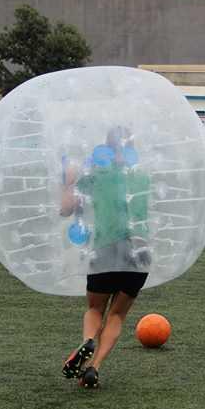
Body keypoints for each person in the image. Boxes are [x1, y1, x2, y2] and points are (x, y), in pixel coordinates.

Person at [59, 127, 151, 389]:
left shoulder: (95, 176)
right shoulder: (142, 175)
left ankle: (89, 339)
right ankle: (94, 366)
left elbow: (66, 210)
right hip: (140, 251)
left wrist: (69, 181)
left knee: (95, 308)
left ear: (105, 149)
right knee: (118, 315)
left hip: (105, 248)